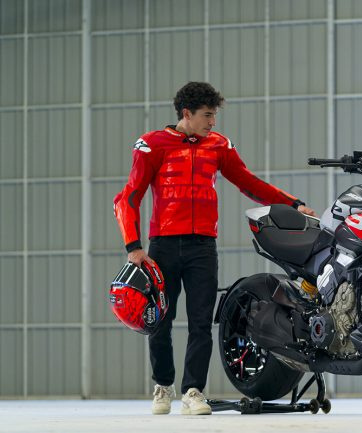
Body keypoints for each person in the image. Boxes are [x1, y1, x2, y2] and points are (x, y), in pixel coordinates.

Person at [113, 81, 316, 415]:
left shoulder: (218, 145)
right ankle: (163, 385)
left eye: (214, 115)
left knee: (201, 322)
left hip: (203, 246)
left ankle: (193, 391)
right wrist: (133, 247)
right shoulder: (152, 144)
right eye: (207, 115)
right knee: (160, 320)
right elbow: (129, 197)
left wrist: (292, 203)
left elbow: (248, 182)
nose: (212, 122)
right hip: (162, 246)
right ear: (187, 113)